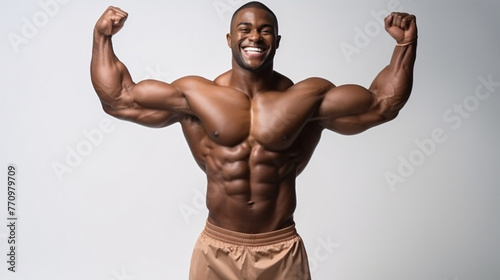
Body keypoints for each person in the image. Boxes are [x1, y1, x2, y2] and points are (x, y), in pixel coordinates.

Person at [91, 1, 417, 279]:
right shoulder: (196, 96)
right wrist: (101, 38)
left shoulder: (306, 98)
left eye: (264, 30)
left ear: (277, 40)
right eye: (245, 29)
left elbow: (382, 105)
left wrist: (405, 46)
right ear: (230, 38)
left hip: (281, 249)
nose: (254, 37)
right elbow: (119, 99)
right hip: (216, 248)